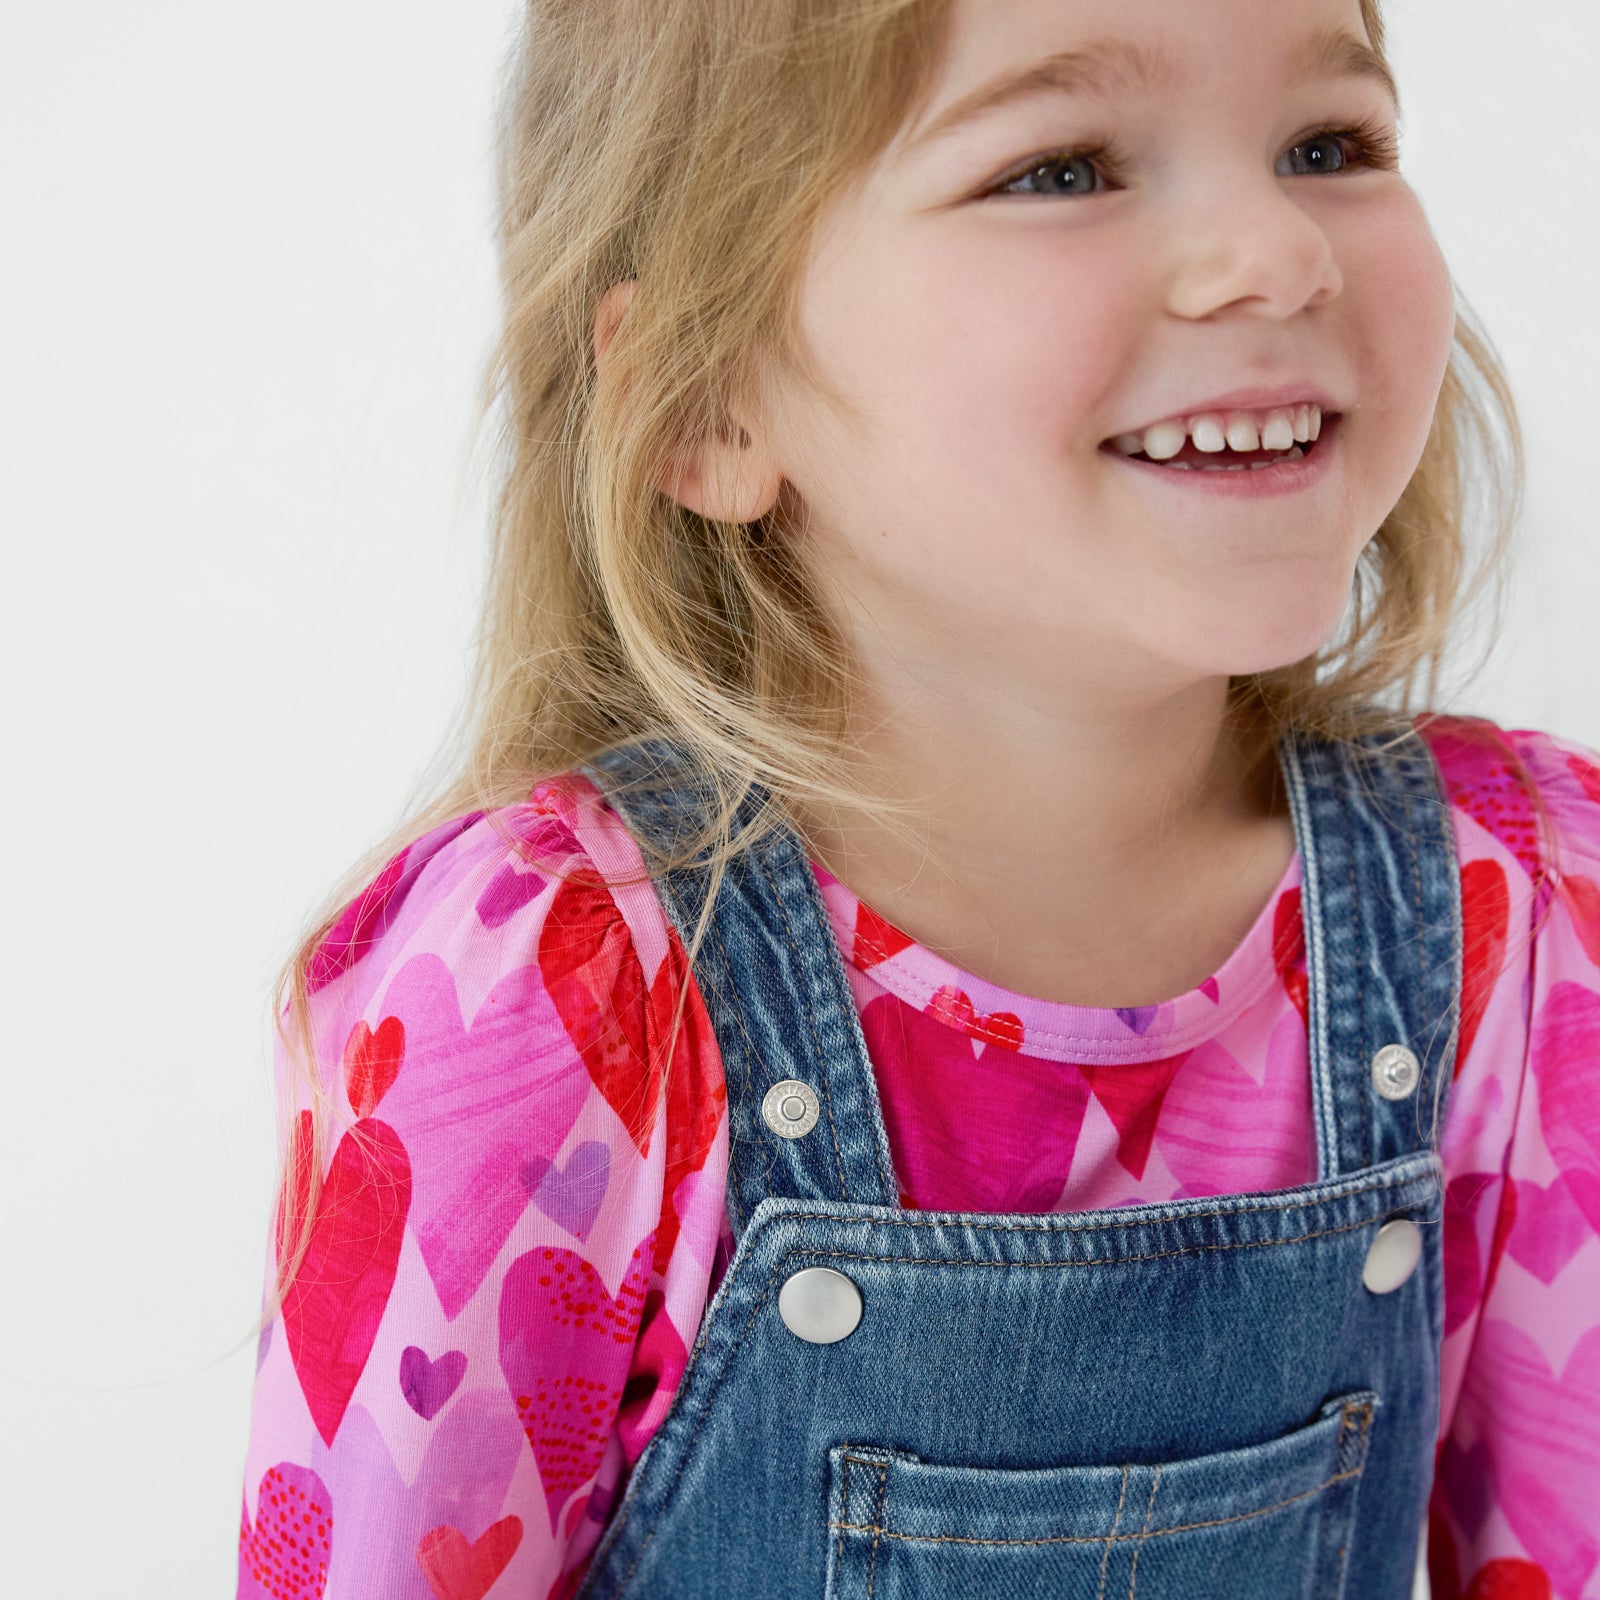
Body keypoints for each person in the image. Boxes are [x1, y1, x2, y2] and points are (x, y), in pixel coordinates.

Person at [235, 0, 1600, 1596]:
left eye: (1329, 145)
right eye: (1061, 166)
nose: (1277, 250)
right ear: (705, 400)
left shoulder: (1520, 907)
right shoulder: (552, 994)